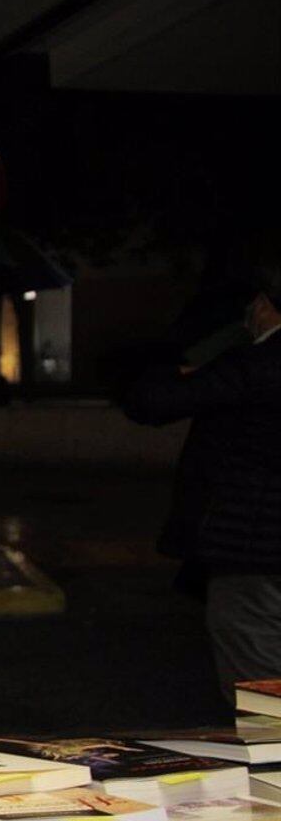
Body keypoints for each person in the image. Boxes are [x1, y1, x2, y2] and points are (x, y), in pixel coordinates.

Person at [123, 252, 281, 699]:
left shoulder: (255, 364)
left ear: (264, 305)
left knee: (261, 683)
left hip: (254, 552)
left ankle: (273, 763)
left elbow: (149, 403)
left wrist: (181, 367)